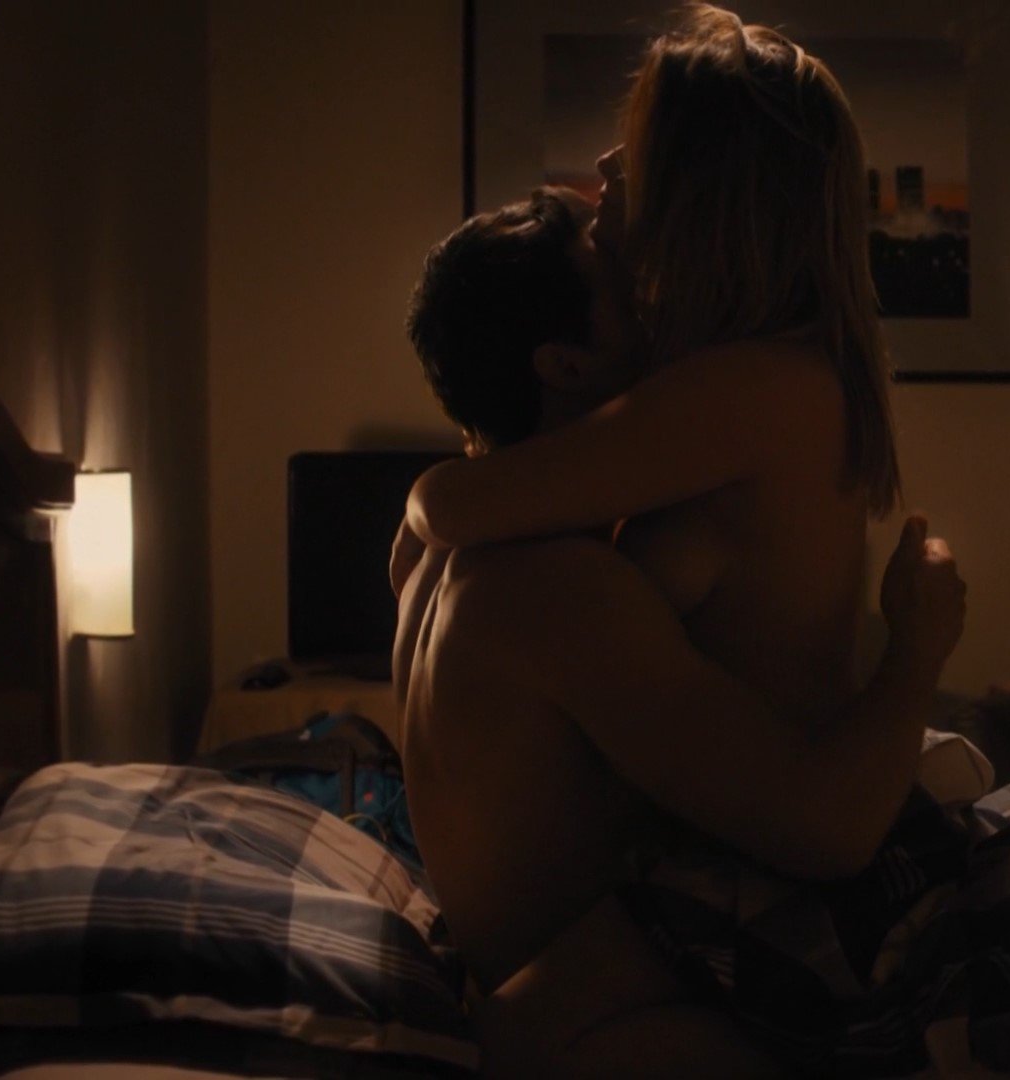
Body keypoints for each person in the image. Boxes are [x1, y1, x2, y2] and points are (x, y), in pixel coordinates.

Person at [395, 188, 967, 1076]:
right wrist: (917, 649)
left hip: (588, 991)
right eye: (622, 282)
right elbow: (827, 829)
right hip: (601, 1030)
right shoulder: (556, 590)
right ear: (566, 364)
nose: (655, 293)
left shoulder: (432, 553)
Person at [403, 4, 894, 723]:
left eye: (641, 146)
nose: (607, 162)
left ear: (708, 193)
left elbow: (455, 507)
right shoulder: (757, 371)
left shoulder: (746, 390)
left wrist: (420, 500)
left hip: (771, 788)